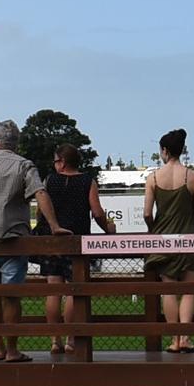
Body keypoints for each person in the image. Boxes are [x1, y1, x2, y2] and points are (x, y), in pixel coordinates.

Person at [0, 120, 70, 363]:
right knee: (11, 296)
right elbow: (40, 192)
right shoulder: (23, 165)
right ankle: (11, 349)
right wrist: (54, 226)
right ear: (15, 143)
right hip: (13, 240)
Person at [38, 144, 115, 355]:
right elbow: (97, 212)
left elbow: (41, 211)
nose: (54, 164)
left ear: (62, 162)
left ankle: (55, 340)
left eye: (55, 161)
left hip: (52, 242)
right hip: (77, 243)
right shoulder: (87, 181)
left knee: (53, 291)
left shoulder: (50, 181)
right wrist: (109, 228)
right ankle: (72, 339)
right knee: (73, 292)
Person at [143, 128, 194, 354]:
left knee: (168, 290)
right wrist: (189, 223)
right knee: (188, 290)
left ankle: (174, 339)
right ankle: (186, 339)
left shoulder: (152, 178)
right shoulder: (193, 177)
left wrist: (154, 229)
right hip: (187, 238)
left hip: (162, 239)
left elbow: (147, 214)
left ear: (164, 150)